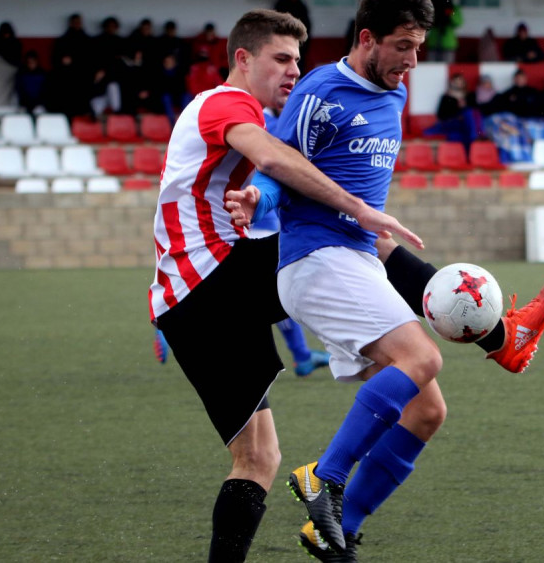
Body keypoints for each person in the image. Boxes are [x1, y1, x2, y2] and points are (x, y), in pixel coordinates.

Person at [226, 1, 544, 559]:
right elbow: (279, 167)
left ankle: (338, 531)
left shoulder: (396, 91)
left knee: (428, 410)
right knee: (422, 358)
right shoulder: (320, 93)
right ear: (366, 39)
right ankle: (325, 479)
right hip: (315, 259)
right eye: (403, 46)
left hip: (356, 255)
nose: (413, 58)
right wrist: (258, 199)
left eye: (419, 46)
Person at [148, 10, 424, 562]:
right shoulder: (227, 103)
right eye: (281, 59)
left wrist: (259, 198)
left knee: (258, 459)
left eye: (298, 61)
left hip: (189, 305)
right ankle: (488, 330)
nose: (293, 72)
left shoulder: (229, 110)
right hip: (214, 281)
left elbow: (268, 176)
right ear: (243, 59)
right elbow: (275, 156)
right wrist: (360, 209)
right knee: (346, 238)